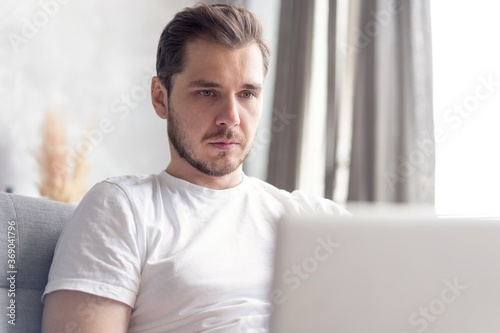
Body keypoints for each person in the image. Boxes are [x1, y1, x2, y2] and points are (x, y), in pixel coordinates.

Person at [41, 3, 349, 332]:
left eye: (247, 94)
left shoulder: (312, 218)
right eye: (207, 92)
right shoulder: (123, 208)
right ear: (161, 98)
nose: (230, 117)